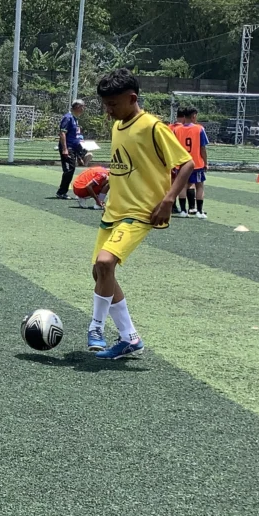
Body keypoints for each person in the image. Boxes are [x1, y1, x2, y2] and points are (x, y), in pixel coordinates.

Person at [87, 69, 193, 359]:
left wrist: (169, 199)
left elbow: (186, 164)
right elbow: (126, 163)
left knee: (105, 262)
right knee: (99, 273)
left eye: (113, 105)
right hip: (114, 210)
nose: (108, 111)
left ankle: (95, 327)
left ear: (132, 98)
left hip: (141, 211)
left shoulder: (153, 127)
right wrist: (109, 181)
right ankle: (130, 338)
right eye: (105, 105)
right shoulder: (118, 126)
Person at [173, 106, 209, 219]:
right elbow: (203, 148)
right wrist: (206, 162)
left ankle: (183, 211)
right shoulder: (199, 129)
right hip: (196, 163)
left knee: (182, 186)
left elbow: (173, 147)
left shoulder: (176, 130)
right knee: (199, 186)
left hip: (182, 163)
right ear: (194, 116)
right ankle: (199, 211)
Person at [55, 100, 87, 199]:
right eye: (82, 107)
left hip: (72, 148)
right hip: (67, 148)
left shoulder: (74, 119)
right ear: (77, 106)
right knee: (69, 169)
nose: (83, 109)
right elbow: (62, 133)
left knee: (71, 169)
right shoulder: (67, 118)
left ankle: (63, 192)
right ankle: (61, 192)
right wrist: (65, 149)